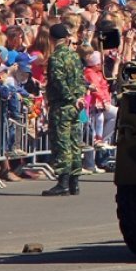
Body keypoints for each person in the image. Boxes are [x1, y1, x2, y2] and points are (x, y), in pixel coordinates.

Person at [42, 23, 85, 197]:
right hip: (75, 106)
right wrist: (79, 97)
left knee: (62, 143)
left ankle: (63, 183)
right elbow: (81, 79)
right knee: (74, 143)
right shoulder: (74, 56)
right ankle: (75, 182)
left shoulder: (55, 58)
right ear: (66, 37)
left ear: (51, 39)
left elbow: (58, 82)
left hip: (62, 105)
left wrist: (70, 98)